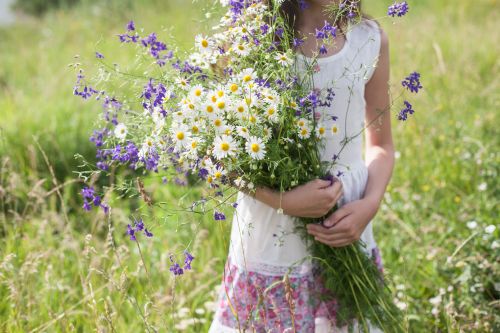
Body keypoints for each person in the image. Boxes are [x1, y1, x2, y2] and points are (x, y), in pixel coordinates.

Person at [209, 0, 394, 332]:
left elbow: (381, 145)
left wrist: (370, 203)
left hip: (346, 221)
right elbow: (220, 156)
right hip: (272, 230)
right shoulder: (249, 38)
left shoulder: (369, 38)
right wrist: (283, 200)